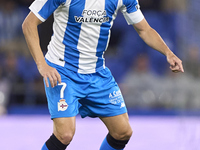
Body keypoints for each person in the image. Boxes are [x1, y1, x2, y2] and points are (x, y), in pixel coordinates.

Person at [22, 0, 184, 149]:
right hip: (63, 71)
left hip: (97, 73)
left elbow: (144, 29)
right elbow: (29, 24)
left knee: (122, 132)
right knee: (64, 134)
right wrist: (42, 64)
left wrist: (168, 53)